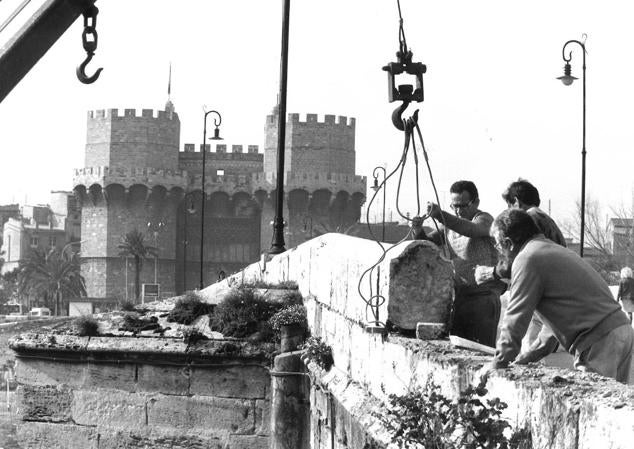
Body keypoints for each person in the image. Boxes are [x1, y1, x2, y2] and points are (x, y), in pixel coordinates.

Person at [482, 208, 633, 383]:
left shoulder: (527, 258)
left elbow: (515, 315)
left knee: (592, 407)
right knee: (618, 406)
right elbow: (552, 330)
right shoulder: (550, 250)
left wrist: (499, 360)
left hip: (599, 340)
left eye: (498, 245)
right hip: (620, 329)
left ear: (508, 243)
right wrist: (529, 356)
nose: (499, 252)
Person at [475, 179, 566, 351]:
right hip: (553, 297)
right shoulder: (547, 220)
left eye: (509, 206)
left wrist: (490, 273)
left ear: (516, 202)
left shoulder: (528, 220)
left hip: (539, 296)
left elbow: (519, 260)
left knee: (528, 351)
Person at [412, 180, 504, 347]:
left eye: (462, 206)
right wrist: (418, 230)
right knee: (460, 349)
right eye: (454, 206)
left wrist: (441, 215)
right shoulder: (450, 226)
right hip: (462, 297)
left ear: (476, 202)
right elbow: (427, 244)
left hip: (484, 297)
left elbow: (471, 230)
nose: (458, 211)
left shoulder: (485, 220)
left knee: (482, 351)